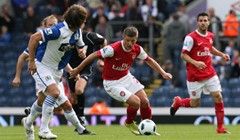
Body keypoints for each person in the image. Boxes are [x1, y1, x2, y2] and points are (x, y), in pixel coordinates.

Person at [69, 26, 172, 135]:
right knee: (136, 102)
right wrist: (78, 69)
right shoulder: (112, 49)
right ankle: (129, 122)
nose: (130, 43)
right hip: (112, 83)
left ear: (136, 39)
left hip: (126, 77)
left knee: (145, 101)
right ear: (123, 37)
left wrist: (163, 73)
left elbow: (149, 60)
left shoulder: (137, 49)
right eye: (127, 40)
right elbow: (93, 55)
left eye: (133, 41)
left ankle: (149, 126)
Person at [26, 4, 94, 139]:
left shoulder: (77, 32)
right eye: (83, 20)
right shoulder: (57, 30)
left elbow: (81, 45)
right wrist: (32, 61)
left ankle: (28, 124)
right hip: (42, 65)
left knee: (42, 100)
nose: (84, 23)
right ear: (77, 21)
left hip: (57, 70)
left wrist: (82, 51)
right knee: (55, 93)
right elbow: (34, 38)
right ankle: (44, 130)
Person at [170, 12, 230, 134]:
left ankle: (220, 128)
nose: (203, 23)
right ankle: (178, 102)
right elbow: (183, 55)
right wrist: (196, 63)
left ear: (209, 22)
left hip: (210, 73)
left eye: (205, 20)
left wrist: (221, 54)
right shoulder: (190, 37)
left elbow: (209, 47)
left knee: (218, 96)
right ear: (197, 22)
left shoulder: (210, 36)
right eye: (201, 20)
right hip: (194, 76)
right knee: (195, 103)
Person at [67, 30, 107, 127]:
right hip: (70, 69)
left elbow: (103, 41)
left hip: (85, 68)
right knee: (73, 98)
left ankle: (81, 117)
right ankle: (78, 120)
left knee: (79, 89)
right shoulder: (67, 37)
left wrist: (102, 58)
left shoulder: (88, 36)